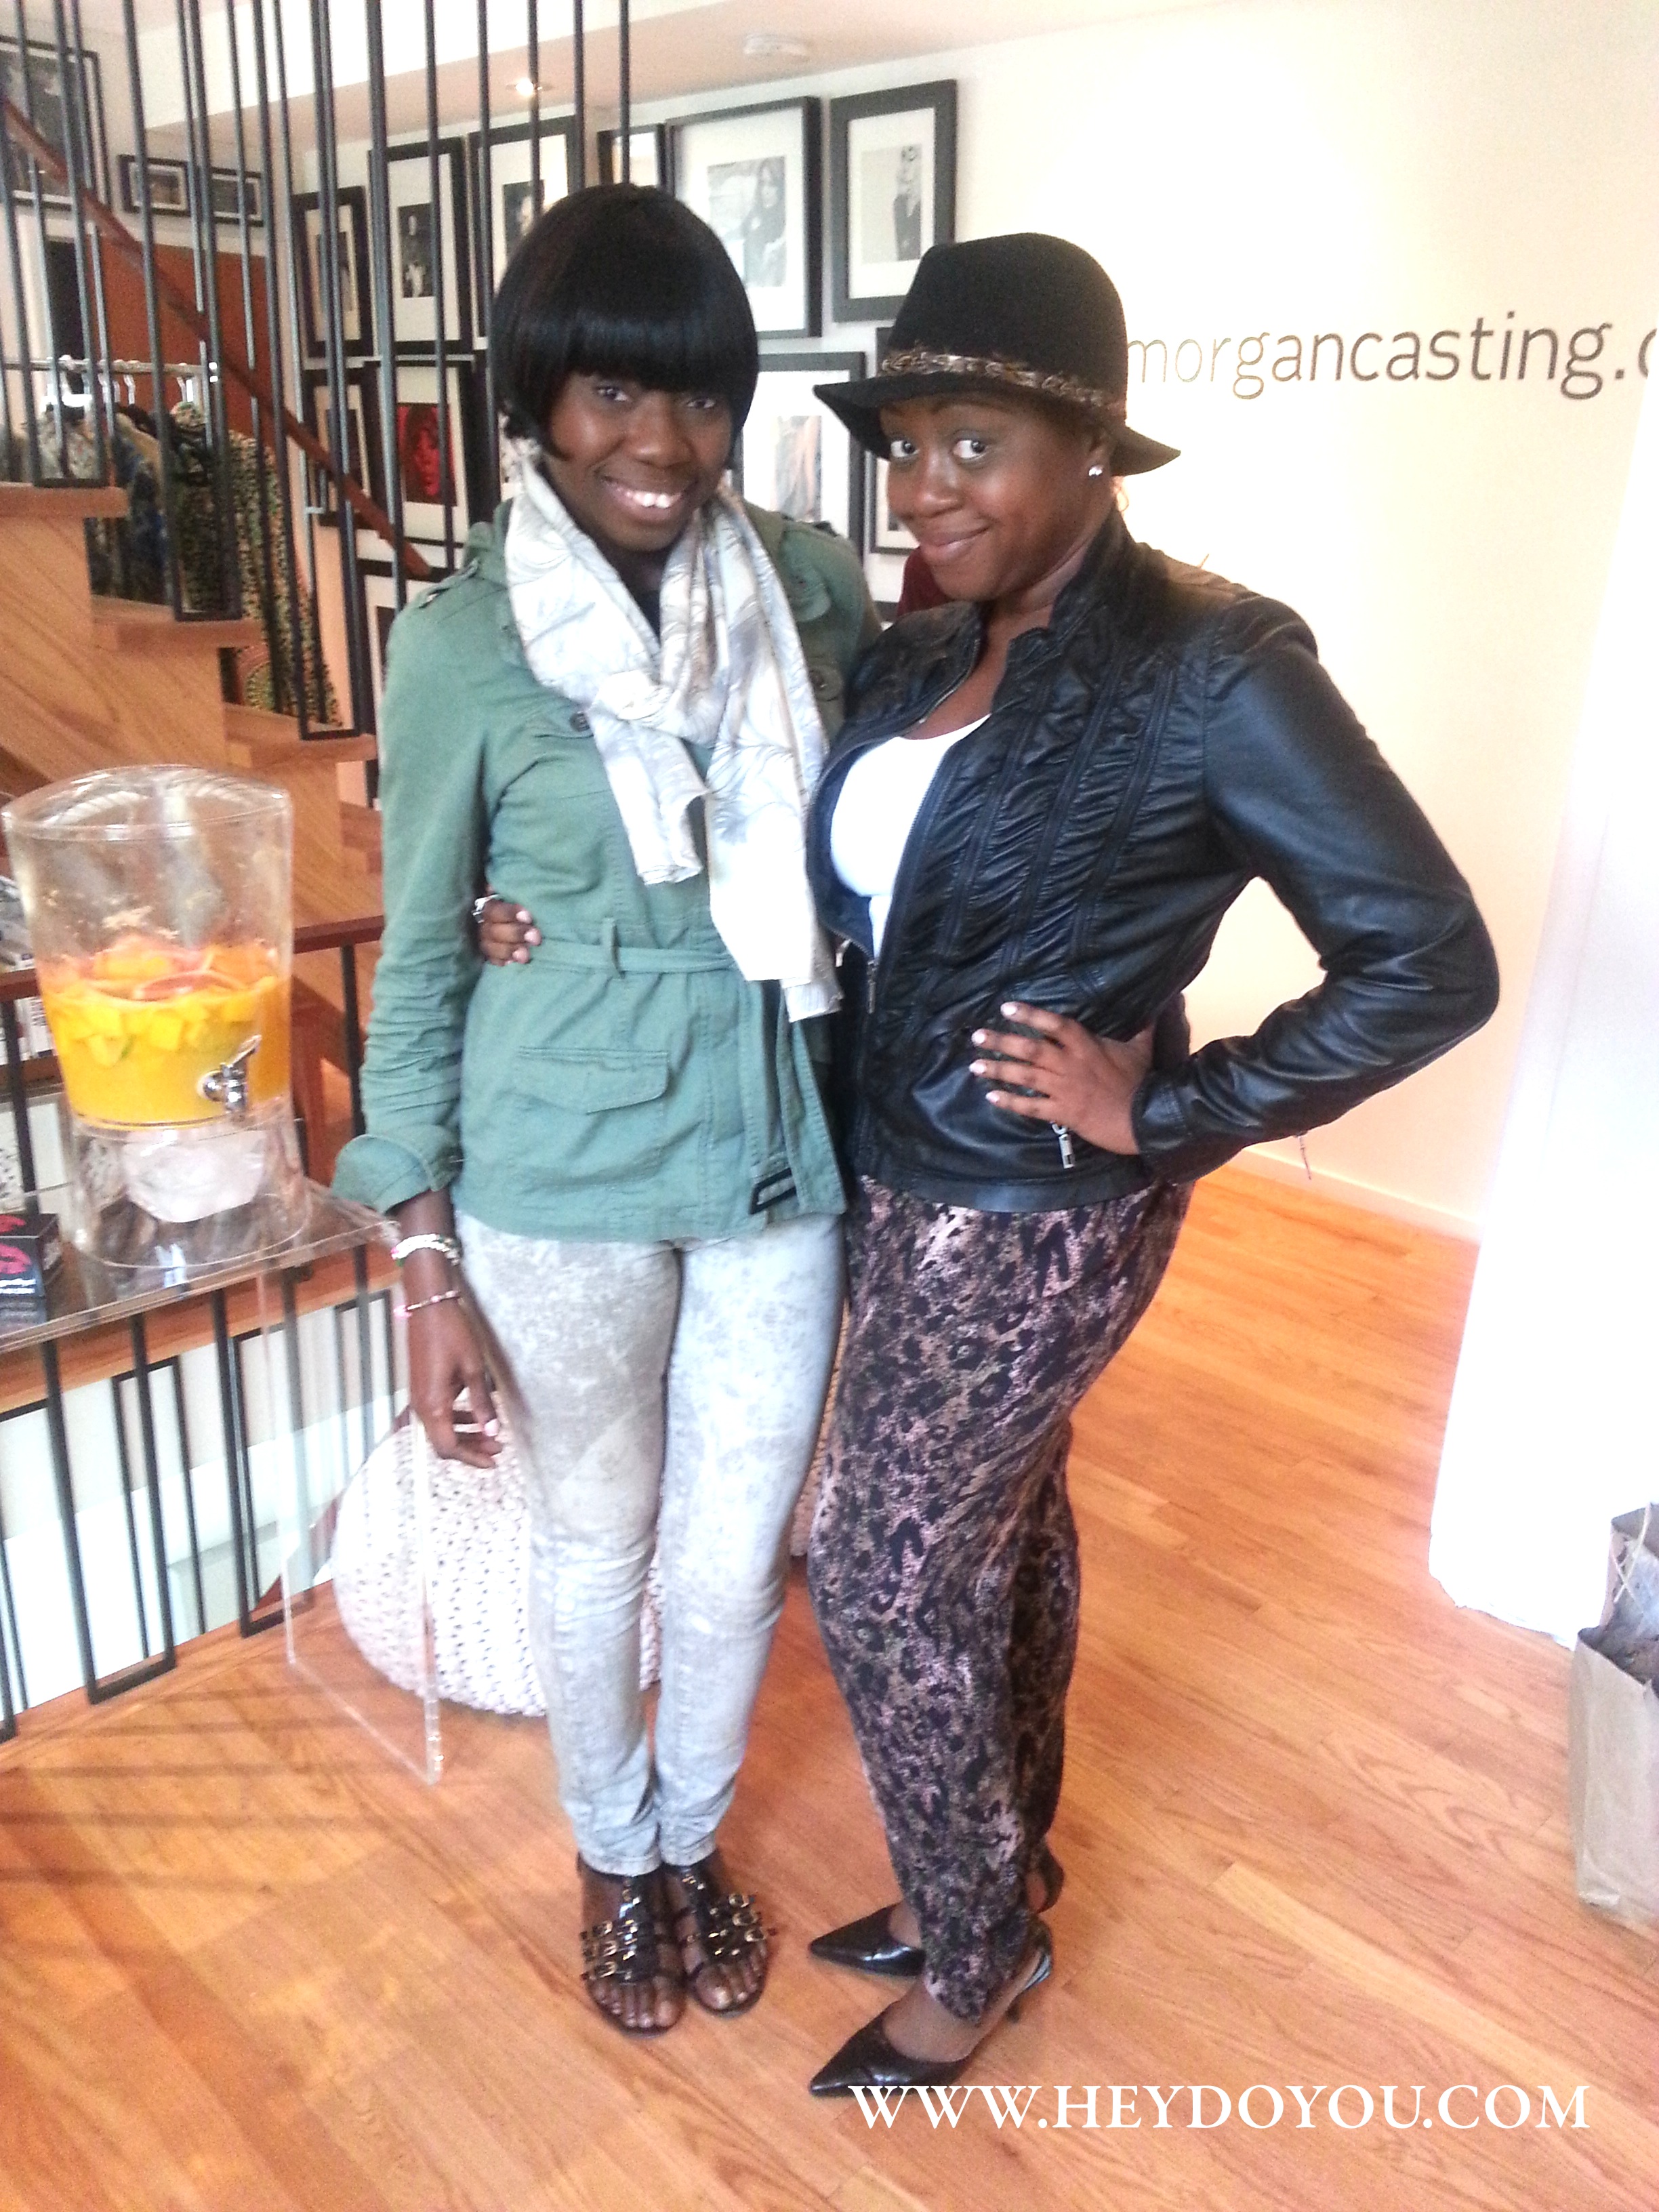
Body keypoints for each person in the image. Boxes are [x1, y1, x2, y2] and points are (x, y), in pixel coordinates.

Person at [792, 233, 1500, 2093]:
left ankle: (974, 1954)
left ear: (1091, 447)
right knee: (996, 1538)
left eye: (973, 442)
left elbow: (1428, 957)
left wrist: (1165, 1112)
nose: (923, 487)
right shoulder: (924, 644)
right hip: (892, 1174)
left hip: (1036, 1212)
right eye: (905, 444)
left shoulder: (1211, 663)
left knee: (875, 1572)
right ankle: (995, 1872)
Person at [335, 184, 879, 2039]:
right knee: (598, 1538)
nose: (661, 441)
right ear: (540, 399)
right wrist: (420, 1264)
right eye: (614, 393)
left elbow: (874, 831)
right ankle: (608, 1856)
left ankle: (692, 1837)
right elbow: (421, 958)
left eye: (700, 398)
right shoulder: (463, 644)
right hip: (555, 1171)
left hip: (774, 1150)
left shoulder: (803, 591)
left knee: (733, 1559)